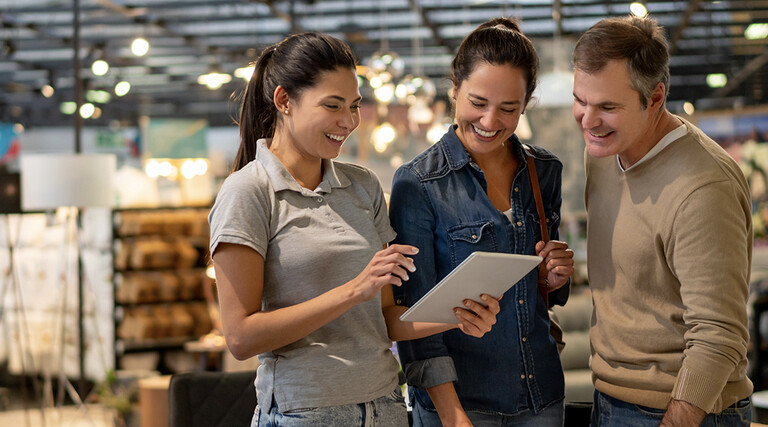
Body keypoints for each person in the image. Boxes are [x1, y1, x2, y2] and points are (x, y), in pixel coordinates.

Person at [208, 32, 500, 427]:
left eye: (354, 106)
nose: (348, 122)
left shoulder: (361, 186)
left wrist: (456, 313)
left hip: (385, 406)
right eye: (332, 106)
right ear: (283, 101)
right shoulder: (249, 191)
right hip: (304, 413)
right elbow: (240, 338)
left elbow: (384, 318)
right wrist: (353, 290)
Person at [389, 18, 575, 427]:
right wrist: (453, 417)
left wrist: (555, 277)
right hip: (462, 404)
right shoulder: (418, 183)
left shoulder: (544, 172)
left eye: (508, 108)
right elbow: (413, 317)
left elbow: (542, 291)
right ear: (454, 86)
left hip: (541, 395)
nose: (490, 122)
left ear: (526, 104)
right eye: (478, 103)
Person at [572, 16, 753, 426]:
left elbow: (718, 335)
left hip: (682, 411)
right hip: (609, 399)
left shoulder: (703, 187)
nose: (587, 119)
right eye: (580, 99)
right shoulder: (602, 155)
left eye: (607, 106)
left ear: (655, 98)